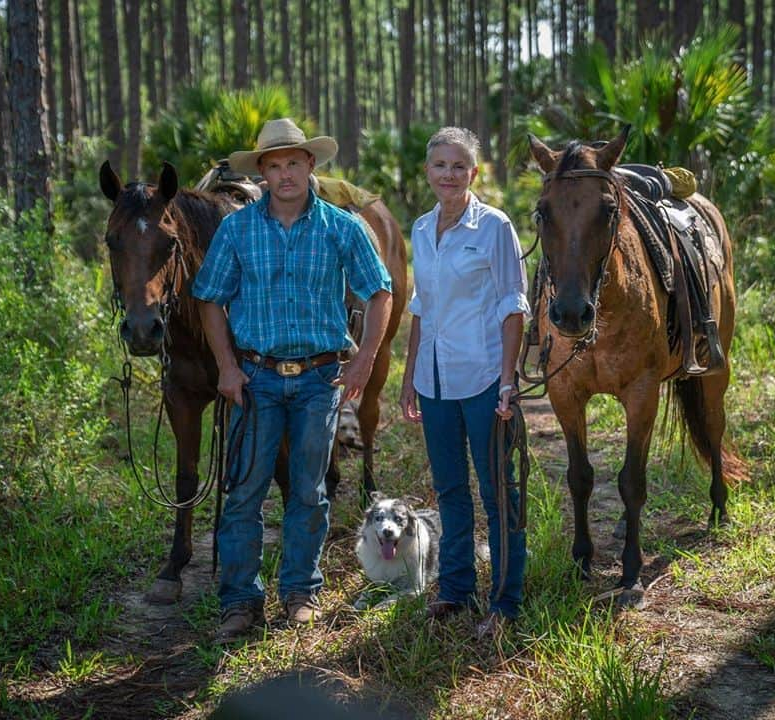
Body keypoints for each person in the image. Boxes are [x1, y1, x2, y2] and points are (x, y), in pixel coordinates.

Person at [194, 118, 393, 642]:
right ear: (262, 172)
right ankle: (240, 602)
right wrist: (226, 367)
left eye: (294, 163)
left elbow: (380, 293)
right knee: (244, 492)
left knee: (308, 491)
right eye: (275, 165)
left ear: (311, 166)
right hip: (254, 377)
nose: (285, 174)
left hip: (318, 378)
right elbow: (209, 298)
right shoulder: (237, 229)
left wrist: (364, 360)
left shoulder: (341, 227)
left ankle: (300, 590)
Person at [398, 126, 529, 637]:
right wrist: (409, 377)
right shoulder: (420, 228)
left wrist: (506, 381)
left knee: (499, 492)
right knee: (450, 489)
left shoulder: (494, 227)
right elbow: (421, 308)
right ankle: (455, 590)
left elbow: (512, 304)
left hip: (481, 378)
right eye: (440, 166)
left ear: (473, 173)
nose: (449, 174)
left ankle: (505, 601)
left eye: (459, 166)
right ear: (428, 172)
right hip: (434, 380)